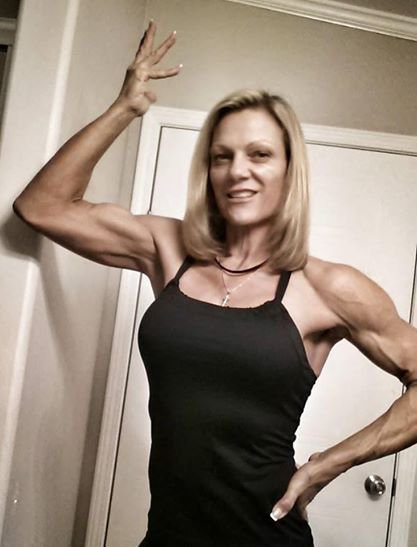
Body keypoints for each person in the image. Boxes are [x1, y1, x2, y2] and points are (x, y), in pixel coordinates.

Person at [13, 21, 417, 547]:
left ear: (290, 171)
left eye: (259, 154)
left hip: (265, 535)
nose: (236, 171)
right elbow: (41, 207)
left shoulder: (327, 287)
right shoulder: (169, 249)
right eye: (221, 156)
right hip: (168, 535)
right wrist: (125, 109)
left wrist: (328, 463)